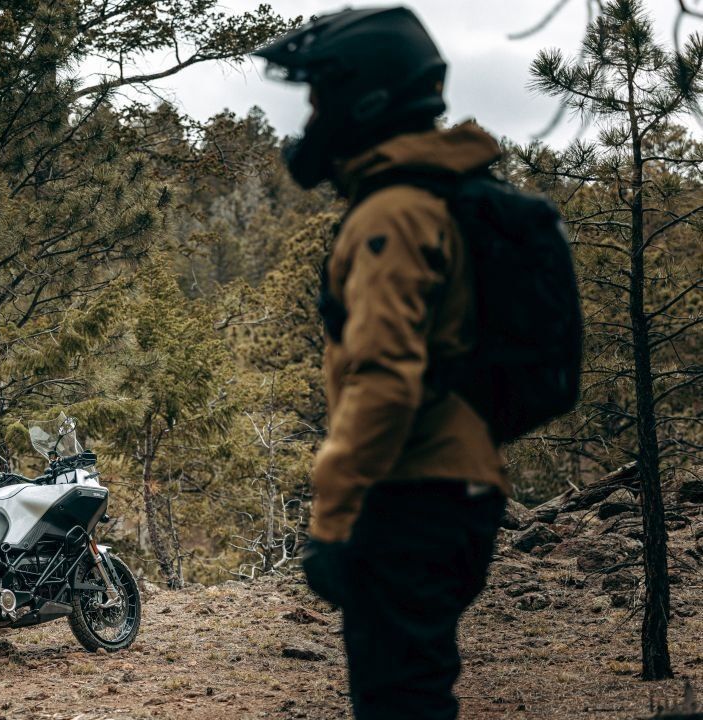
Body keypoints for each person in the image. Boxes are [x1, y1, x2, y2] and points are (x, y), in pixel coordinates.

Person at [255, 8, 510, 720]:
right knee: (415, 693)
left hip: (410, 490)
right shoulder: (425, 198)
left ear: (363, 100)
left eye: (318, 99)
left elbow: (384, 377)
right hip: (450, 483)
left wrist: (334, 519)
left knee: (399, 702)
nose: (311, 119)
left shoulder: (392, 213)